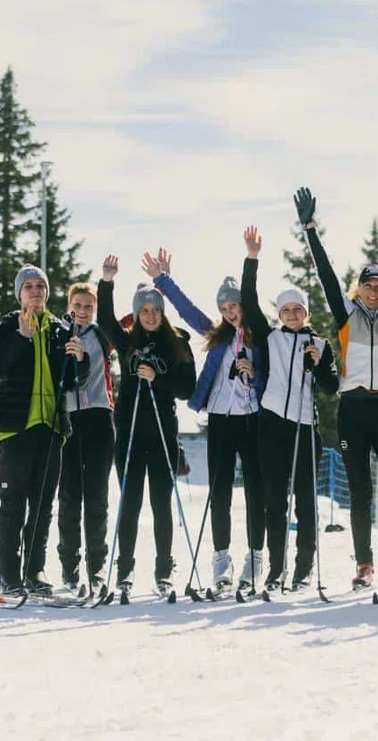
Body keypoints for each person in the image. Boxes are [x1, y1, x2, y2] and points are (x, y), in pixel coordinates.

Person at [298, 186, 378, 590]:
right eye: (368, 286)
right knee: (359, 492)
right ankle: (364, 565)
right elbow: (324, 273)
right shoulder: (345, 315)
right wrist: (309, 228)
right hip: (352, 409)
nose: (374, 292)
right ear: (359, 289)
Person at [145, 248, 267, 593]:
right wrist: (162, 280)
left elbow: (269, 378)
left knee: (256, 490)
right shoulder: (217, 335)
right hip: (221, 421)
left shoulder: (261, 338)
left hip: (251, 420)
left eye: (234, 306)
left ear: (244, 306)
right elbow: (186, 311)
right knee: (220, 490)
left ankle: (257, 556)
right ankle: (221, 559)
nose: (229, 313)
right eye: (224, 308)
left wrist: (253, 373)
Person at [240, 225, 339, 591]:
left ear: (306, 312)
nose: (294, 314)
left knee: (306, 502)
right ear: (280, 314)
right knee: (274, 501)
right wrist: (252, 259)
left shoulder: (319, 342)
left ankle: (303, 567)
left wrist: (318, 361)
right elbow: (249, 303)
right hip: (273, 425)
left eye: (299, 309)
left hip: (304, 427)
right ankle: (276, 567)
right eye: (287, 310)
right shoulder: (270, 338)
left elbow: (330, 388)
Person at [0, 265, 87, 596]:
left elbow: (72, 381)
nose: (35, 291)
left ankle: (35, 571)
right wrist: (20, 338)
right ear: (19, 293)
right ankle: (8, 575)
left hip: (51, 426)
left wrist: (80, 360)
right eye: (28, 286)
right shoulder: (6, 325)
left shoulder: (59, 329)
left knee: (42, 505)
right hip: (16, 427)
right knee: (13, 502)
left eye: (40, 285)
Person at [98, 257, 196, 597]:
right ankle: (124, 570)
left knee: (161, 504)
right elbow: (104, 320)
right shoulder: (127, 342)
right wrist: (107, 282)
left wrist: (159, 377)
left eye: (155, 309)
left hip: (162, 433)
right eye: (144, 311)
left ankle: (163, 570)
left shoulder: (178, 340)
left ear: (162, 311)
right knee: (130, 503)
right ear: (137, 314)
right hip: (129, 433)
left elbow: (187, 388)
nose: (151, 315)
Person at [56, 282, 117, 597]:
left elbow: (126, 323)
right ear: (69, 306)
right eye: (77, 305)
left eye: (88, 307)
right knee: (69, 497)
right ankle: (69, 568)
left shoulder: (103, 334)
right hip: (68, 419)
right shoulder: (59, 333)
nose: (82, 311)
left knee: (96, 497)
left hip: (98, 416)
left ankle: (97, 567)